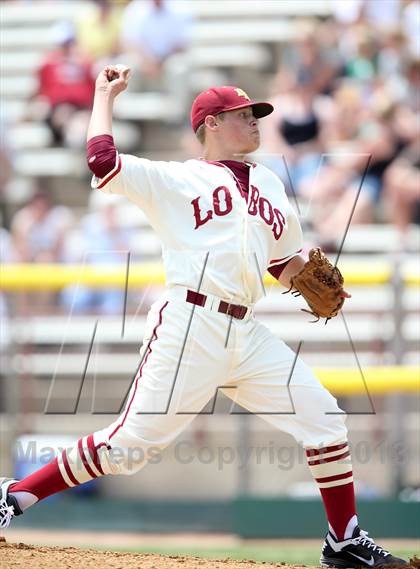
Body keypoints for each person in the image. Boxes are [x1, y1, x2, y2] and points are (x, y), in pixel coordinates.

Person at [0, 66, 407, 568]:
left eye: (256, 114)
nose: (255, 122)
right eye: (242, 115)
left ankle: (343, 541)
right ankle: (15, 495)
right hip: (190, 324)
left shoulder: (271, 184)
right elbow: (102, 161)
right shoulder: (177, 178)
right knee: (129, 448)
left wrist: (313, 276)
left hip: (246, 331)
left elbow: (283, 262)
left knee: (325, 419)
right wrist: (104, 95)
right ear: (210, 124)